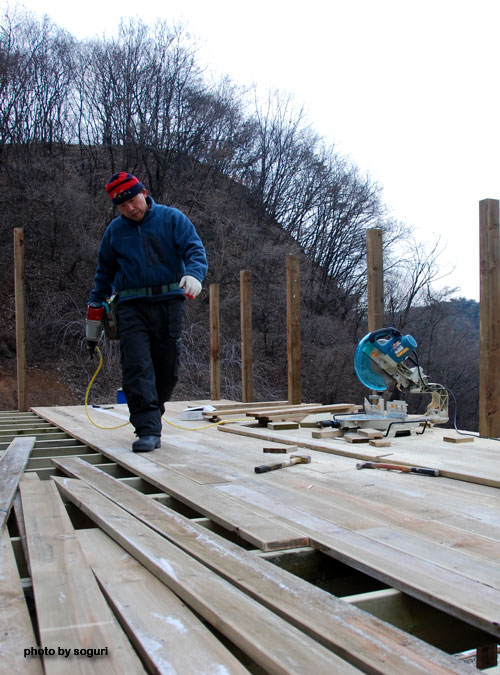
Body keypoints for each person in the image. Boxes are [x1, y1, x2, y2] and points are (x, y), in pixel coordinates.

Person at [87, 172, 208, 452]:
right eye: (122, 205)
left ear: (143, 192)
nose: (130, 208)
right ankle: (147, 429)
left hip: (169, 302)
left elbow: (194, 249)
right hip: (130, 306)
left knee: (167, 368)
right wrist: (95, 302)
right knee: (136, 366)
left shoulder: (171, 218)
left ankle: (153, 411)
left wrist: (194, 274)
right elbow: (104, 271)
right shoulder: (115, 232)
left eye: (132, 200)